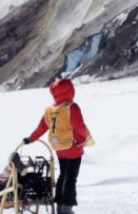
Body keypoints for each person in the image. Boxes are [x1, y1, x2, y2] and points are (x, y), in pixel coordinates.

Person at [23, 78, 92, 214]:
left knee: (63, 176)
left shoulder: (50, 110)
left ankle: (60, 206)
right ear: (71, 90)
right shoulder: (72, 107)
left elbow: (41, 128)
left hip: (59, 148)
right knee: (71, 177)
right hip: (73, 147)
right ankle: (66, 209)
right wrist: (86, 137)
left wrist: (30, 139)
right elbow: (79, 127)